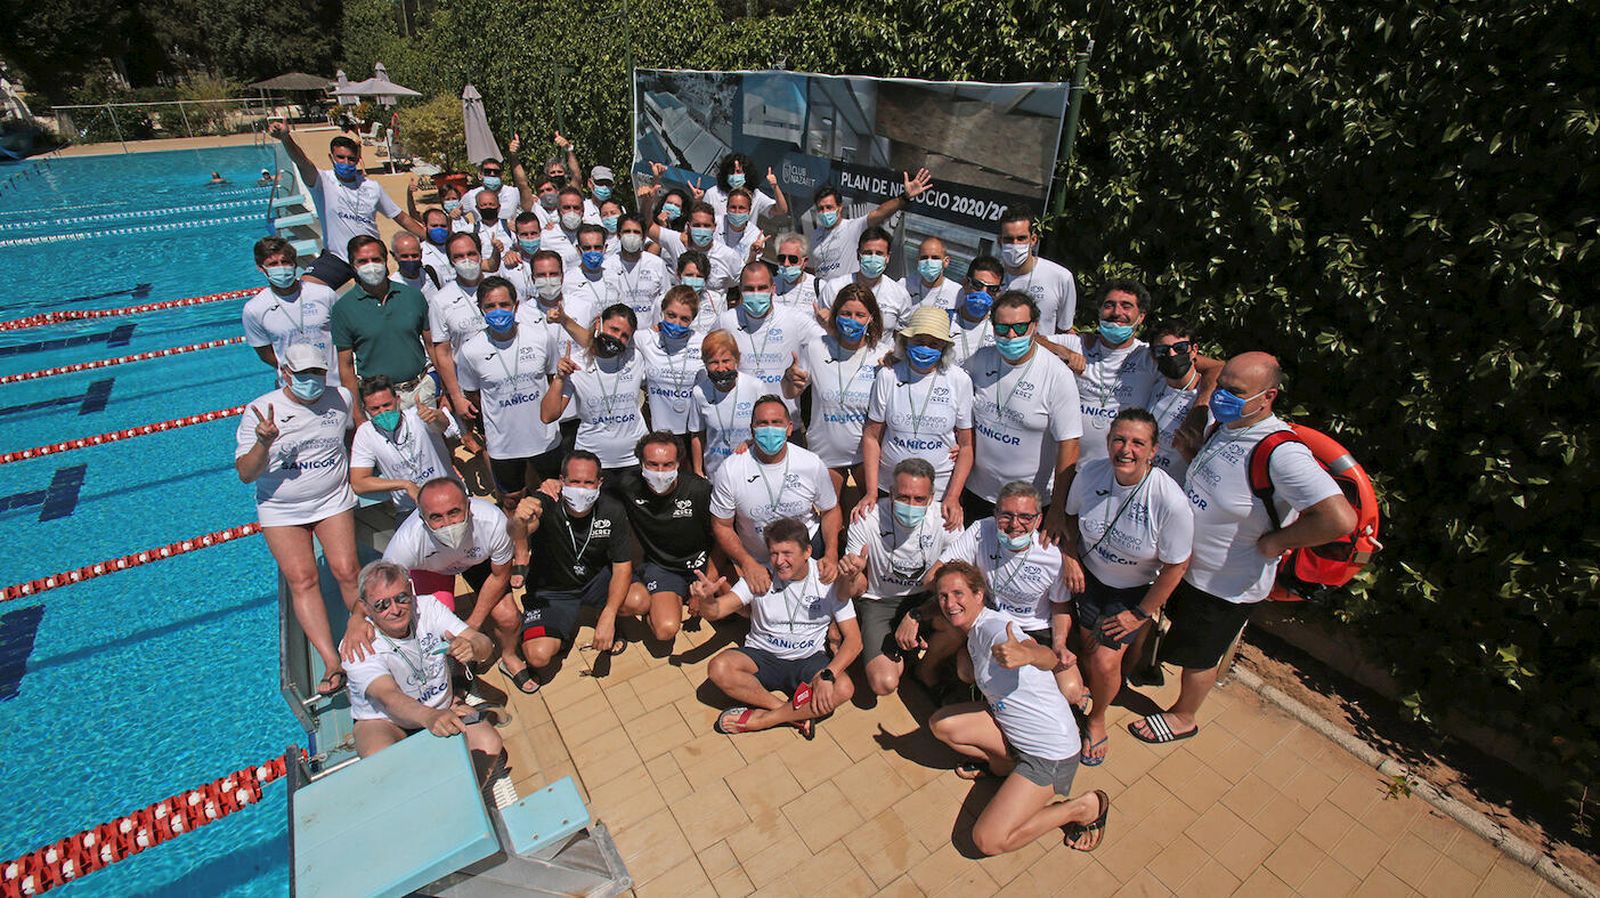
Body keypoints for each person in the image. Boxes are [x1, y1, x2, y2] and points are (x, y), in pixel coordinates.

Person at [1130, 352, 1356, 745]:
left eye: (1235, 391)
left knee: (1201, 655)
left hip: (1225, 583)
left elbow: (1339, 519)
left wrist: (1276, 542)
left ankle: (1184, 715)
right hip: (1188, 568)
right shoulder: (1228, 426)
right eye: (1223, 387)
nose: (1222, 396)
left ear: (1267, 396)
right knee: (1182, 637)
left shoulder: (1282, 453)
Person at [926, 562, 1109, 855]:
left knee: (987, 840)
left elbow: (1048, 658)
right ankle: (1005, 767)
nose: (950, 603)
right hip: (1015, 733)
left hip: (1049, 754)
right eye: (943, 596)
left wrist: (1027, 653)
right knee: (942, 724)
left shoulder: (996, 629)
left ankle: (1082, 808)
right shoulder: (973, 632)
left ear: (979, 595)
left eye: (958, 593)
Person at [1060, 410, 1193, 766]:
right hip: (1090, 577)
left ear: (1153, 449)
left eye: (1138, 443)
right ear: (1107, 442)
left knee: (1104, 661)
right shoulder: (1090, 474)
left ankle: (1098, 719)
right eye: (1119, 439)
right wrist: (1070, 556)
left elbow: (1177, 565)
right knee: (1088, 650)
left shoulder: (1169, 501)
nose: (1126, 449)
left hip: (1133, 591)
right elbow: (1070, 518)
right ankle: (1093, 688)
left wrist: (1139, 614)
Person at [235, 344, 364, 697]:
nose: (312, 381)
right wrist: (263, 442)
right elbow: (246, 474)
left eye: (317, 373)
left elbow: (352, 437)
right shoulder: (261, 410)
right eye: (304, 374)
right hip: (282, 509)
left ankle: (370, 635)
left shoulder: (340, 399)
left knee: (347, 570)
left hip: (331, 498)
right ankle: (331, 661)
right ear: (286, 373)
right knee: (303, 581)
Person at [344, 560, 507, 787]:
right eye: (381, 605)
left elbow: (484, 644)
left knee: (488, 743)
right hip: (387, 722)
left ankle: (465, 795)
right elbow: (387, 696)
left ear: (411, 589)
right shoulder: (358, 643)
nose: (395, 609)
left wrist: (474, 648)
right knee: (379, 760)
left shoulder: (428, 608)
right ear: (366, 607)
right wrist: (429, 717)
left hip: (442, 707)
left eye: (401, 598)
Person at [694, 517, 860, 738]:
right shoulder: (761, 575)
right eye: (774, 553)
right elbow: (716, 611)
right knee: (719, 669)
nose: (779, 561)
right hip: (762, 655)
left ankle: (764, 720)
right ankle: (791, 712)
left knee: (844, 688)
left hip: (808, 659)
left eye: (787, 554)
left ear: (807, 551)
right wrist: (706, 599)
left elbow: (854, 641)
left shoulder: (827, 579)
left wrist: (829, 674)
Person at [934, 481, 1081, 705]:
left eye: (1025, 517)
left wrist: (1059, 644)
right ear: (995, 514)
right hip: (992, 623)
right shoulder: (981, 531)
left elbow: (1060, 605)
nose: (1015, 524)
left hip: (1037, 630)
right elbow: (939, 573)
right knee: (967, 671)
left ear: (1039, 519)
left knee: (1070, 691)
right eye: (1006, 515)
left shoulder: (1052, 555)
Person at [455, 276, 560, 591]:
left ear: (516, 306)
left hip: (544, 436)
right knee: (512, 500)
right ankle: (521, 551)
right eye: (490, 306)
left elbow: (555, 379)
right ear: (480, 310)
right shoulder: (471, 350)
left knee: (553, 494)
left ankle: (556, 548)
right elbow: (473, 396)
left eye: (503, 304)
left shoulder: (541, 337)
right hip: (504, 442)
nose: (498, 311)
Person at [381, 479, 533, 692]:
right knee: (435, 629)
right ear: (422, 518)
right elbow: (383, 590)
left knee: (509, 617)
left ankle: (508, 655)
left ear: (469, 507)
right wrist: (358, 621)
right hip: (430, 570)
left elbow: (500, 576)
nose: (448, 523)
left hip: (477, 562)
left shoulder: (493, 521)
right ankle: (450, 673)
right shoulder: (405, 544)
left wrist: (471, 625)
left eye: (454, 512)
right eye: (436, 517)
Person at [515, 451, 653, 674]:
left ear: (600, 482)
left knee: (639, 601)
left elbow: (622, 567)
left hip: (596, 580)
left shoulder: (612, 509)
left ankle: (602, 616)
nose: (581, 488)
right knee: (537, 656)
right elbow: (521, 530)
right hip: (552, 590)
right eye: (575, 481)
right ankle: (559, 631)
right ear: (562, 481)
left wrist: (609, 615)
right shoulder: (546, 502)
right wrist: (517, 520)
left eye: (588, 482)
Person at [962, 290, 1081, 538]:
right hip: (977, 494)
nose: (1012, 335)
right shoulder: (979, 360)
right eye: (1003, 329)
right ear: (992, 328)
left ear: (1035, 326)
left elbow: (1069, 446)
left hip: (1028, 506)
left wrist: (1058, 509)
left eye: (1020, 327)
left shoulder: (1057, 375)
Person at [841, 458, 956, 696]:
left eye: (919, 499)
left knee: (958, 623)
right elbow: (857, 590)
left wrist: (917, 614)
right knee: (884, 683)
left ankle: (925, 668)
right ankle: (892, 639)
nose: (911, 505)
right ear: (891, 493)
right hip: (878, 601)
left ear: (932, 497)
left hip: (925, 598)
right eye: (903, 497)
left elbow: (957, 582)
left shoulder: (946, 521)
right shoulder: (866, 518)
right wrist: (852, 574)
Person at [710, 395, 842, 596]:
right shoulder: (730, 469)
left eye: (776, 423)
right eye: (762, 423)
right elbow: (721, 524)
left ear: (789, 428)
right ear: (752, 428)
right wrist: (748, 563)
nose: (769, 429)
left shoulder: (810, 463)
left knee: (827, 598)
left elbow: (830, 510)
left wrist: (831, 554)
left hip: (806, 548)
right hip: (758, 556)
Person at [271, 122, 424, 288]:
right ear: (331, 158)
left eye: (351, 159)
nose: (346, 162)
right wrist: (286, 138)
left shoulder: (372, 187)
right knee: (307, 289)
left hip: (368, 256)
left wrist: (428, 236)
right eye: (341, 158)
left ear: (358, 160)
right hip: (336, 257)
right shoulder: (321, 181)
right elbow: (302, 162)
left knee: (382, 302)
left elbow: (400, 217)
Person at [858, 306, 974, 524]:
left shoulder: (959, 380)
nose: (925, 348)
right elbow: (872, 436)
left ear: (944, 347)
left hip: (940, 490)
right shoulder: (888, 375)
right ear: (906, 341)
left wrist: (953, 497)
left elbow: (967, 446)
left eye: (934, 344)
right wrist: (871, 492)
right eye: (919, 341)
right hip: (890, 486)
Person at [1045, 281, 1166, 464]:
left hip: (1113, 471)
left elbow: (1205, 366)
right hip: (1062, 466)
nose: (1117, 312)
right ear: (1100, 311)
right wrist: (1062, 351)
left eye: (1126, 306)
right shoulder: (1078, 344)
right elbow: (1029, 339)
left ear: (1141, 317)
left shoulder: (1148, 357)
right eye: (1109, 305)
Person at [614, 432, 718, 642]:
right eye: (652, 464)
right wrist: (554, 485)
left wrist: (707, 584)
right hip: (663, 567)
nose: (660, 472)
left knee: (740, 609)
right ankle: (664, 598)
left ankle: (683, 595)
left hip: (702, 564)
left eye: (668, 464)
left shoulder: (699, 490)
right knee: (666, 630)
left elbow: (720, 539)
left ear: (679, 463)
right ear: (641, 463)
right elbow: (590, 491)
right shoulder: (627, 484)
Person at [785, 283, 885, 500]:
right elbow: (790, 392)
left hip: (864, 457)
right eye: (846, 313)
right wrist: (789, 378)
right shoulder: (816, 347)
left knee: (864, 516)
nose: (852, 320)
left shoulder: (883, 355)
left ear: (871, 318)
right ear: (836, 315)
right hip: (824, 453)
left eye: (860, 315)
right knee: (827, 516)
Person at [328, 235, 435, 421]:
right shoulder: (343, 309)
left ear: (386, 261)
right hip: (380, 402)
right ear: (353, 265)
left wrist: (449, 392)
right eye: (363, 261)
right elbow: (346, 367)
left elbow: (432, 346)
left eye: (376, 259)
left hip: (422, 391)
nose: (371, 266)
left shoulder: (412, 296)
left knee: (436, 446)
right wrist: (357, 415)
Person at [542, 303, 648, 480]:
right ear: (598, 323)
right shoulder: (575, 364)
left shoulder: (634, 357)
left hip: (634, 459)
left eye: (624, 336)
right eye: (613, 329)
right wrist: (559, 378)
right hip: (591, 462)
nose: (617, 338)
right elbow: (548, 415)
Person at [718, 261, 825, 409]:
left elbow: (827, 345)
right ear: (740, 289)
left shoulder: (794, 318)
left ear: (773, 289)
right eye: (749, 289)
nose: (756, 294)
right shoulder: (725, 321)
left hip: (784, 420)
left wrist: (805, 373)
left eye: (762, 288)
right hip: (738, 419)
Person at [349, 375, 455, 518]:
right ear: (365, 409)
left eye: (387, 405)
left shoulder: (419, 415)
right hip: (410, 510)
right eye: (375, 409)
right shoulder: (365, 433)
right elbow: (359, 483)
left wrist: (436, 416)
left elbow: (443, 425)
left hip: (449, 498)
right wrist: (405, 484)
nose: (383, 412)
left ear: (398, 400)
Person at [243, 236, 340, 384]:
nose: (280, 267)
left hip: (334, 382)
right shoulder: (254, 309)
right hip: (293, 388)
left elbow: (345, 335)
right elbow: (265, 353)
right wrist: (294, 371)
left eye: (285, 262)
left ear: (294, 263)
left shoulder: (324, 294)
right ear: (261, 268)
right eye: (273, 264)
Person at [808, 170, 933, 279]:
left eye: (829, 207)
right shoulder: (815, 235)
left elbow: (879, 212)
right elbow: (813, 269)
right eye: (821, 208)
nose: (825, 212)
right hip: (824, 297)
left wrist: (904, 197)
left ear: (839, 207)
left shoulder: (853, 227)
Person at [429, 232, 493, 421]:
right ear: (451, 261)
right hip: (472, 389)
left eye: (471, 254)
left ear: (480, 254)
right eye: (458, 256)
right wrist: (456, 396)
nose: (467, 260)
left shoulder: (500, 287)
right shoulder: (440, 301)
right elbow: (443, 353)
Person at [687, 329, 763, 478]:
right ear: (705, 363)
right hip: (716, 473)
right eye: (714, 362)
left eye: (726, 361)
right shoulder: (699, 392)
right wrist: (698, 470)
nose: (721, 368)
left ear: (737, 360)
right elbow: (697, 434)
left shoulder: (756, 387)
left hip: (751, 470)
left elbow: (768, 427)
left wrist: (751, 442)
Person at [637, 287, 705, 436]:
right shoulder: (644, 339)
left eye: (684, 319)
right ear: (662, 311)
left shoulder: (702, 343)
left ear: (692, 319)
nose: (676, 323)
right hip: (654, 431)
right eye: (671, 315)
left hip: (692, 432)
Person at [996, 208, 1077, 334]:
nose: (1015, 244)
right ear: (999, 241)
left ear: (1033, 240)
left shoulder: (1061, 277)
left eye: (1021, 238)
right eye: (1008, 239)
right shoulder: (990, 279)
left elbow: (1065, 331)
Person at [818, 226, 912, 332]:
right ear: (858, 255)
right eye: (868, 253)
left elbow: (901, 335)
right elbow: (821, 325)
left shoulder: (900, 295)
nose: (873, 258)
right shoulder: (834, 288)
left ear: (887, 258)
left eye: (879, 254)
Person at [1146, 318, 1204, 485]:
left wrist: (1188, 451)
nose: (1171, 355)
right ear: (1154, 356)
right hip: (1144, 485)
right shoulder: (1155, 382)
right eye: (1162, 350)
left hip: (1178, 492)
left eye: (1180, 348)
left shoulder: (1206, 399)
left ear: (1193, 351)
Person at [605, 214, 669, 330]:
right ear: (619, 235)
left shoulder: (657, 264)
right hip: (619, 336)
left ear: (644, 236)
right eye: (627, 231)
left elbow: (666, 299)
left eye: (636, 232)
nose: (631, 235)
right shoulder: (607, 266)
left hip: (651, 335)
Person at [946, 256, 1004, 366]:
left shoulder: (1002, 329)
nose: (983, 293)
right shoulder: (944, 320)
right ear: (965, 282)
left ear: (998, 292)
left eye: (992, 289)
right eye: (978, 285)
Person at [703, 153, 788, 224]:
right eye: (731, 172)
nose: (735, 175)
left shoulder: (756, 195)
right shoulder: (712, 194)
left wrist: (775, 187)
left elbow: (782, 210)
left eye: (739, 172)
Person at [903, 236, 962, 313]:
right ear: (918, 260)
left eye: (935, 258)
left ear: (946, 261)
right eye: (924, 257)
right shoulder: (904, 286)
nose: (929, 262)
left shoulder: (958, 293)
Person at [771, 232, 821, 316]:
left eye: (793, 259)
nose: (786, 263)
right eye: (782, 258)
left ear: (804, 262)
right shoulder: (770, 284)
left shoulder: (819, 286)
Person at [462, 157, 521, 224]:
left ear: (502, 175)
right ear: (480, 175)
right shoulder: (471, 195)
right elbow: (456, 213)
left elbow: (529, 209)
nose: (492, 174)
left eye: (496, 172)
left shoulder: (513, 193)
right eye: (487, 171)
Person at [716, 188, 764, 259]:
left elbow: (749, 268)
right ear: (726, 208)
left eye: (741, 208)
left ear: (749, 210)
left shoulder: (756, 237)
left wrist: (753, 254)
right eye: (733, 207)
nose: (737, 211)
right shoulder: (715, 223)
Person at [390, 231, 442, 297]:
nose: (410, 260)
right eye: (405, 256)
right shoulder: (393, 287)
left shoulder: (431, 273)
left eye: (414, 256)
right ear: (394, 256)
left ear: (421, 253)